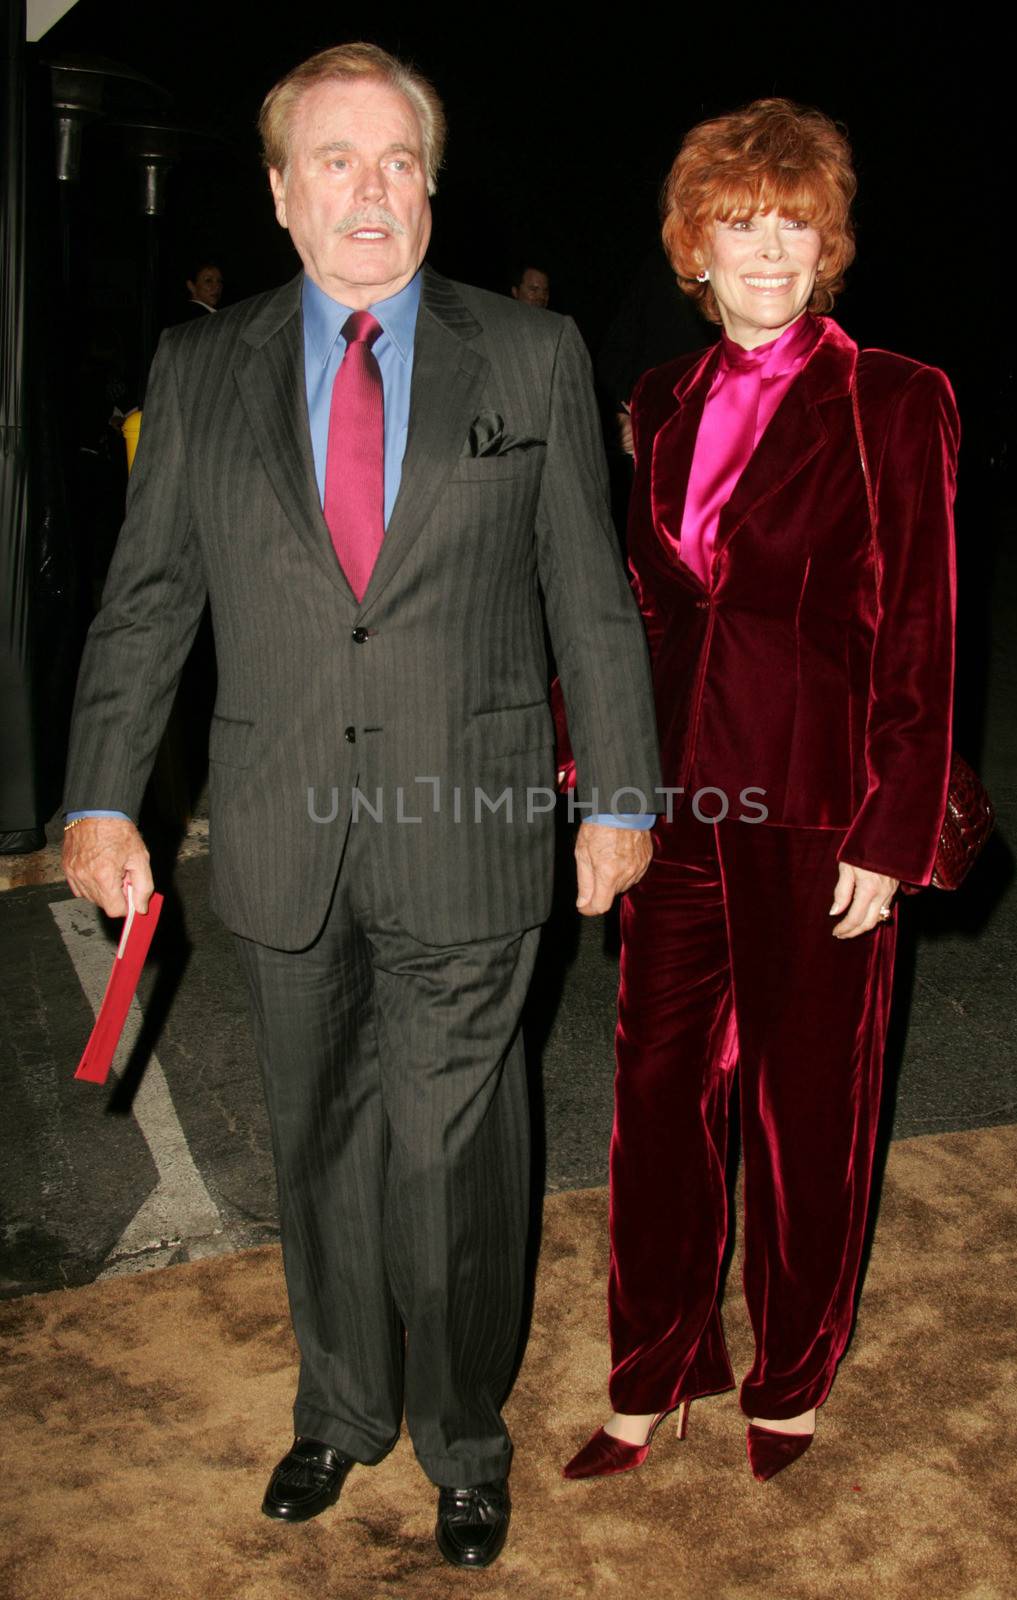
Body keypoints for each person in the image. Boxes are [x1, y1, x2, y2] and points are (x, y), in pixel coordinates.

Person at [61, 42, 661, 1568]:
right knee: (319, 1136)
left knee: (452, 1152)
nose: (369, 189)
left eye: (397, 160)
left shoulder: (529, 357)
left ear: (433, 186)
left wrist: (623, 796)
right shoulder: (201, 368)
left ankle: (463, 1436)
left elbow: (593, 599)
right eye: (334, 160)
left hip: (469, 827)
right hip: (279, 832)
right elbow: (146, 608)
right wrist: (99, 798)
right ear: (278, 194)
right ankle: (338, 1409)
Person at [562, 98, 957, 1485]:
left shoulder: (896, 398)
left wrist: (896, 822)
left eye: (796, 221)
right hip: (674, 810)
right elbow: (630, 614)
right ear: (696, 245)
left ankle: (792, 1369)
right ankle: (655, 1368)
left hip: (820, 810)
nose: (770, 248)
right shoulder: (659, 403)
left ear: (829, 242)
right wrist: (594, 781)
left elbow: (924, 621)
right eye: (742, 222)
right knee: (656, 1101)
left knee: (809, 1112)